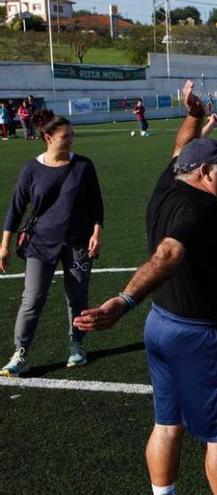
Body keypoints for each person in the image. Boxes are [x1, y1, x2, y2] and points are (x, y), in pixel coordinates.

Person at [74, 133, 217, 494]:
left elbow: (181, 147)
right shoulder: (201, 209)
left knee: (168, 424)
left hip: (163, 325)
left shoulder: (170, 182)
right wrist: (124, 301)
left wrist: (194, 116)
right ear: (204, 172)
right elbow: (167, 254)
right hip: (202, 338)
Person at [0, 109, 104, 376]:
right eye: (65, 136)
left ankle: (76, 345)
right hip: (41, 243)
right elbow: (16, 208)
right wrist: (4, 245)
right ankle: (21, 353)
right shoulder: (31, 169)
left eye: (72, 135)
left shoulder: (83, 165)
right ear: (48, 137)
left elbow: (96, 203)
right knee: (32, 298)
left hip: (78, 243)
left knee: (77, 298)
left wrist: (96, 232)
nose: (71, 139)